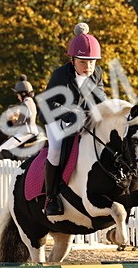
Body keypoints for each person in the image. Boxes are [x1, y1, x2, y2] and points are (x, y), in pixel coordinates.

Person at [40, 23, 107, 216]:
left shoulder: (98, 73)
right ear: (72, 60)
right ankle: (51, 197)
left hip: (82, 118)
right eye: (83, 62)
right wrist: (69, 112)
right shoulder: (60, 75)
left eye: (92, 62)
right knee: (55, 151)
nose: (88, 67)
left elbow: (101, 99)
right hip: (56, 118)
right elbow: (48, 104)